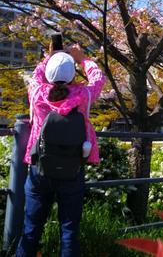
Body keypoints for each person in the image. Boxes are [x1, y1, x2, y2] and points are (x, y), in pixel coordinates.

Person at [16, 43, 107, 257]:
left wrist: (50, 56)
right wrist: (82, 58)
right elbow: (98, 78)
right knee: (69, 230)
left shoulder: (37, 92)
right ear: (72, 76)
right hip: (73, 168)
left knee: (31, 229)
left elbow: (37, 75)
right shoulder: (83, 95)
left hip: (40, 170)